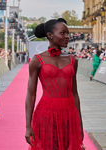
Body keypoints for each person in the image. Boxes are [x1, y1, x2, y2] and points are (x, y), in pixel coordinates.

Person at [25, 18, 84, 150]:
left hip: (70, 114)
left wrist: (80, 124)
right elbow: (31, 95)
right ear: (50, 35)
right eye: (63, 33)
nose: (67, 37)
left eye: (67, 33)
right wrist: (28, 126)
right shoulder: (37, 60)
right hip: (46, 115)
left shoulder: (72, 60)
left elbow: (74, 93)